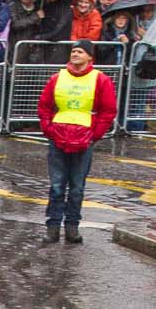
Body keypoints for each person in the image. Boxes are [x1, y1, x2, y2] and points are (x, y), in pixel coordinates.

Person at [36, 40, 116, 244]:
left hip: (83, 141)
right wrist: (49, 129)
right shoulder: (57, 78)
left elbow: (108, 111)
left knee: (77, 187)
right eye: (74, 51)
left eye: (81, 51)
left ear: (90, 57)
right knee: (56, 186)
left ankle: (72, 227)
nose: (76, 54)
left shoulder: (101, 80)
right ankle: (52, 227)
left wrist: (94, 134)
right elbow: (44, 105)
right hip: (58, 139)